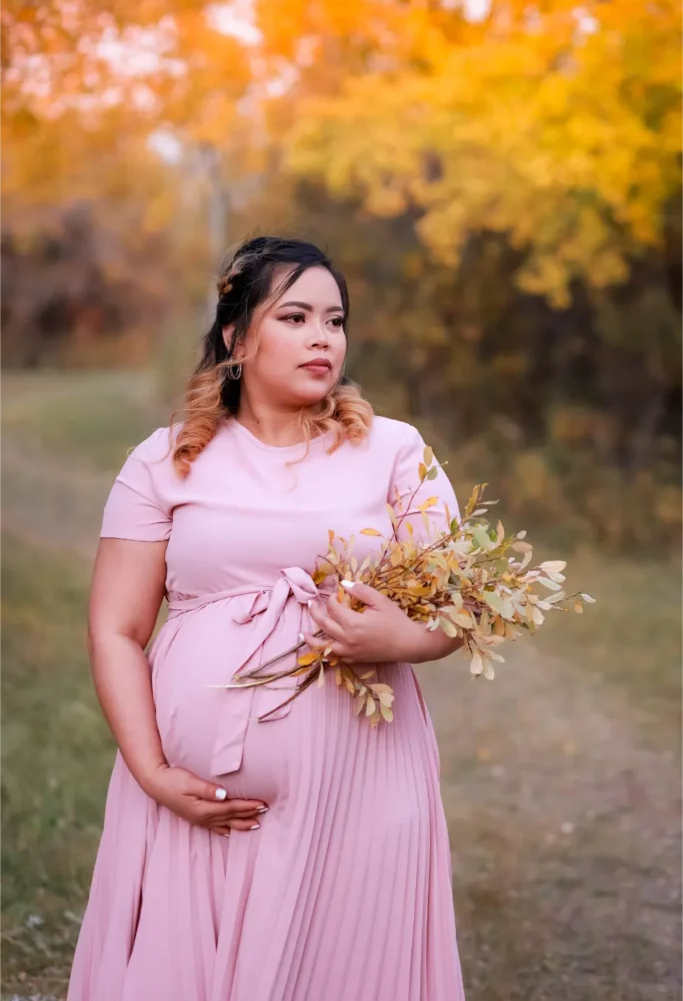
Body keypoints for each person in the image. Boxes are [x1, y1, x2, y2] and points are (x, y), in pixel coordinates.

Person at [67, 236, 467, 1001]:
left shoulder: (392, 451)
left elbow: (459, 609)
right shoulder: (166, 460)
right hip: (192, 804)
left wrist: (403, 640)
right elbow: (116, 629)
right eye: (295, 316)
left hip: (360, 785)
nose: (322, 337)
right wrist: (153, 773)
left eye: (335, 320)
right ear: (236, 335)